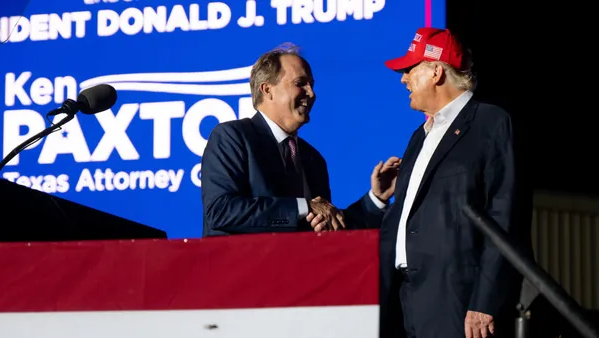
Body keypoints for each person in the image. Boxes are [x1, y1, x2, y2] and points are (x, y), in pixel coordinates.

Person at [373, 27, 531, 338]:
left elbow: (506, 215)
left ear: (435, 71)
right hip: (409, 300)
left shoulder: (490, 123)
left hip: (458, 302)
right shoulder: (419, 137)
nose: (403, 79)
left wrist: (485, 301)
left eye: (410, 69)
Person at [201, 43, 399, 236]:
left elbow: (329, 223)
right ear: (267, 89)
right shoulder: (233, 137)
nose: (311, 94)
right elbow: (221, 211)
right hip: (243, 268)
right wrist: (303, 207)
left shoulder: (312, 158)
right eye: (300, 83)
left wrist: (376, 199)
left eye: (311, 85)